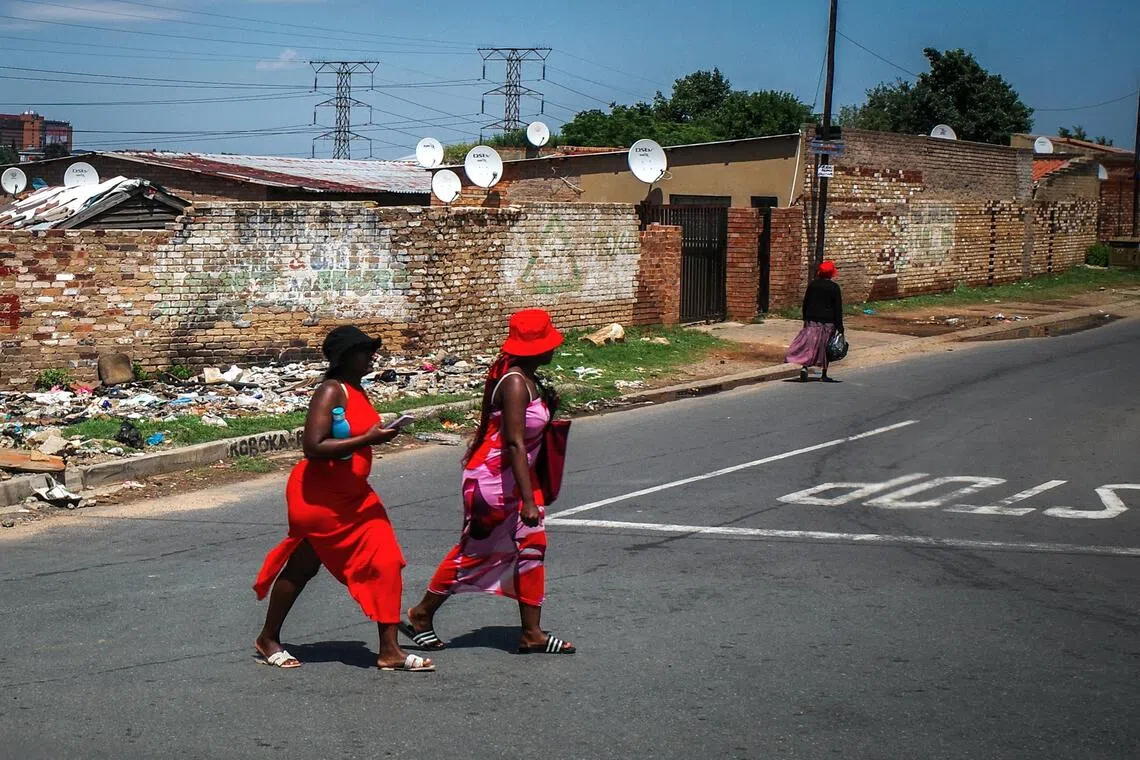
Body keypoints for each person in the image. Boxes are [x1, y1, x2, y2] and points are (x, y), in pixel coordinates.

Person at [252, 325, 434, 672]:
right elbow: (313, 446)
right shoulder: (330, 391)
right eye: (365, 351)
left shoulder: (357, 390)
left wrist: (376, 436)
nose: (372, 357)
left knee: (386, 561)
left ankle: (389, 651)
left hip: (355, 496)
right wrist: (368, 440)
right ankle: (268, 638)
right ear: (345, 358)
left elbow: (359, 436)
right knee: (303, 566)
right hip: (319, 498)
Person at [403, 308, 576, 655]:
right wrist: (528, 500)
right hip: (493, 483)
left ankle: (532, 632)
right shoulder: (514, 383)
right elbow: (513, 442)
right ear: (535, 347)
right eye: (549, 342)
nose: (554, 348)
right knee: (475, 552)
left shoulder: (529, 379)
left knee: (532, 548)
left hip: (517, 478)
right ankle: (422, 613)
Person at [786, 260, 844, 383]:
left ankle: (805, 367)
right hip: (828, 322)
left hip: (812, 320)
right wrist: (840, 326)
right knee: (825, 348)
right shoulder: (834, 288)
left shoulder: (812, 285)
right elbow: (837, 308)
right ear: (831, 274)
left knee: (809, 345)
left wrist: (805, 318)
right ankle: (824, 374)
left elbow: (806, 303)